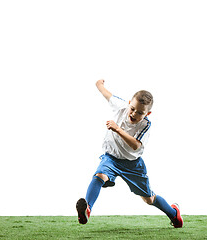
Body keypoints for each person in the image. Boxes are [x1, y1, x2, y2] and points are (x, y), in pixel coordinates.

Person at [76, 79, 183, 228]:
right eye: (132, 108)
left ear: (148, 113)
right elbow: (108, 95)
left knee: (149, 199)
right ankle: (87, 209)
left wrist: (117, 129)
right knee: (100, 175)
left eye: (140, 112)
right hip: (111, 159)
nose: (134, 114)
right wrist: (99, 85)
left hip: (132, 165)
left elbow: (135, 145)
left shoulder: (145, 125)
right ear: (129, 103)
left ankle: (173, 213)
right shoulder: (121, 107)